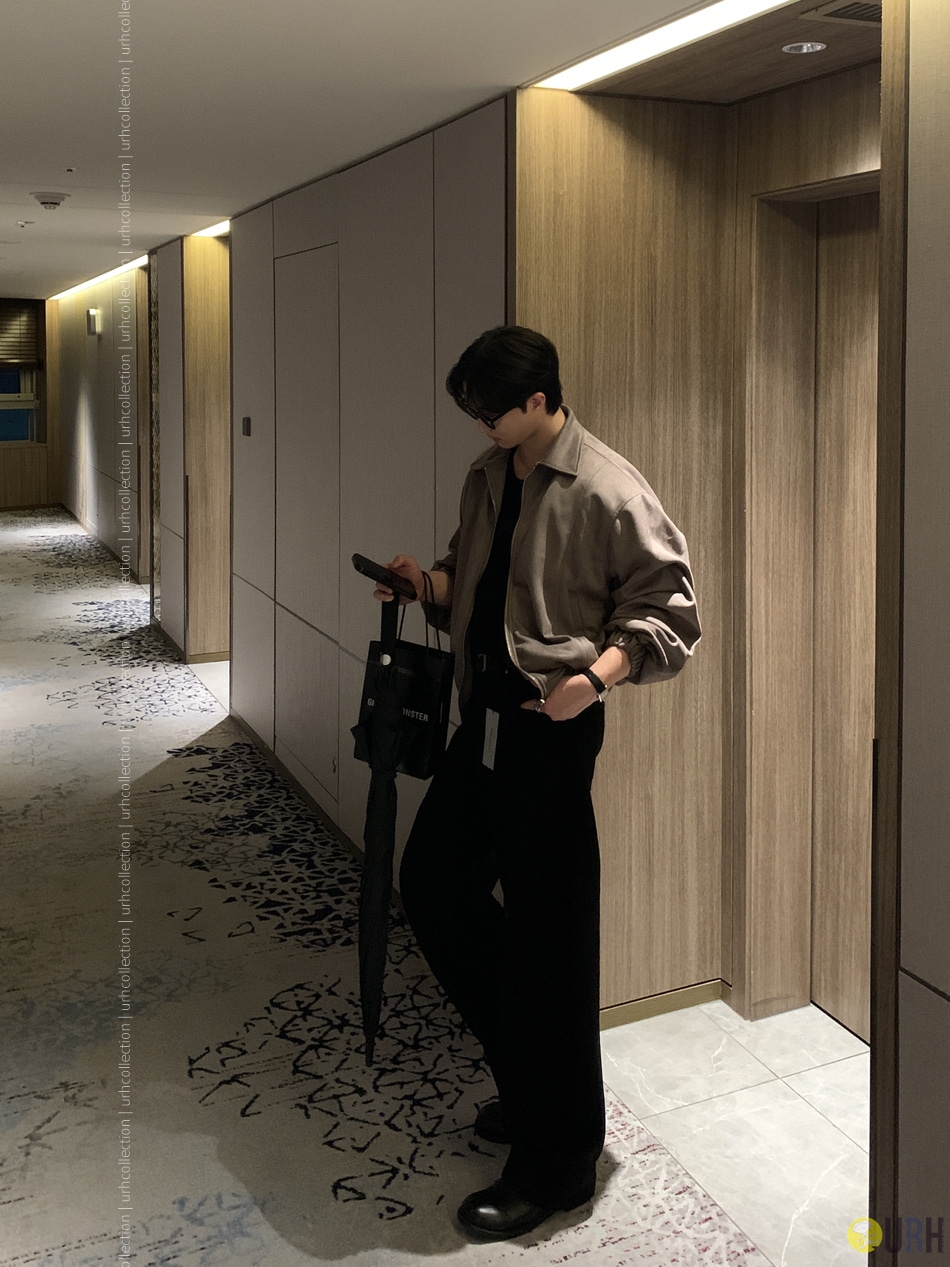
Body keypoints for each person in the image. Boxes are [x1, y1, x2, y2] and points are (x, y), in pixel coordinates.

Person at [370, 325, 700, 1242]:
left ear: (540, 399)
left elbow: (671, 612)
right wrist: (424, 583)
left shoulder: (607, 486)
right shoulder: (490, 475)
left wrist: (594, 678)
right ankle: (530, 1074)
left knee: (550, 941)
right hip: (478, 723)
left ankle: (559, 1160)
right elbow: (473, 583)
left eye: (490, 410)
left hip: (548, 734)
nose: (479, 424)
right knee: (434, 884)